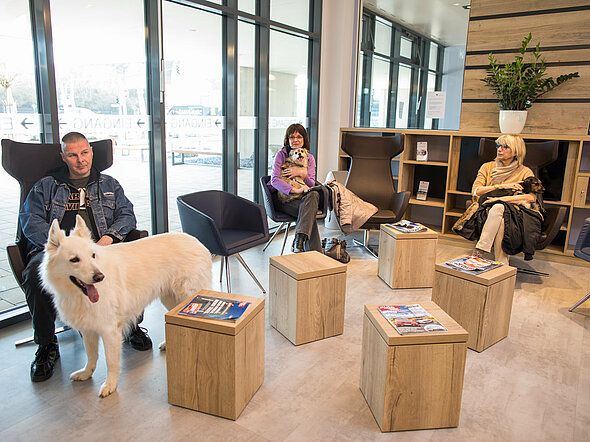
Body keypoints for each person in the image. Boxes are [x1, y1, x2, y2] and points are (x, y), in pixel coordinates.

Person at [20, 131, 152, 383]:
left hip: (101, 247)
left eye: (84, 153)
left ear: (91, 152)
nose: (80, 160)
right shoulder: (45, 186)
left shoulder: (109, 184)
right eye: (72, 155)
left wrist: (109, 238)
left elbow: (127, 215)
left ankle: (130, 325)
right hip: (60, 252)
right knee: (36, 273)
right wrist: (57, 245)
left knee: (134, 265)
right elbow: (29, 220)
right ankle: (47, 345)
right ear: (63, 157)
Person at [454, 134, 543, 265]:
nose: (499, 149)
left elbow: (531, 197)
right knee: (500, 215)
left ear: (516, 151)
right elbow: (475, 191)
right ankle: (502, 265)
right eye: (498, 146)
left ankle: (479, 251)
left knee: (500, 209)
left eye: (505, 146)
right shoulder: (487, 167)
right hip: (487, 212)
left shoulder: (525, 172)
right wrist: (500, 186)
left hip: (516, 216)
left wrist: (501, 199)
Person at [268, 124, 322, 253]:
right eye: (292, 137)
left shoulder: (310, 158)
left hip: (302, 199)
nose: (295, 140)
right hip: (283, 199)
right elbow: (274, 180)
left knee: (313, 195)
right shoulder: (281, 155)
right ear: (287, 139)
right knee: (309, 215)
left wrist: (302, 173)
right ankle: (316, 257)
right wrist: (294, 190)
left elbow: (311, 184)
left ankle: (299, 241)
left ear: (304, 139)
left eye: (299, 137)